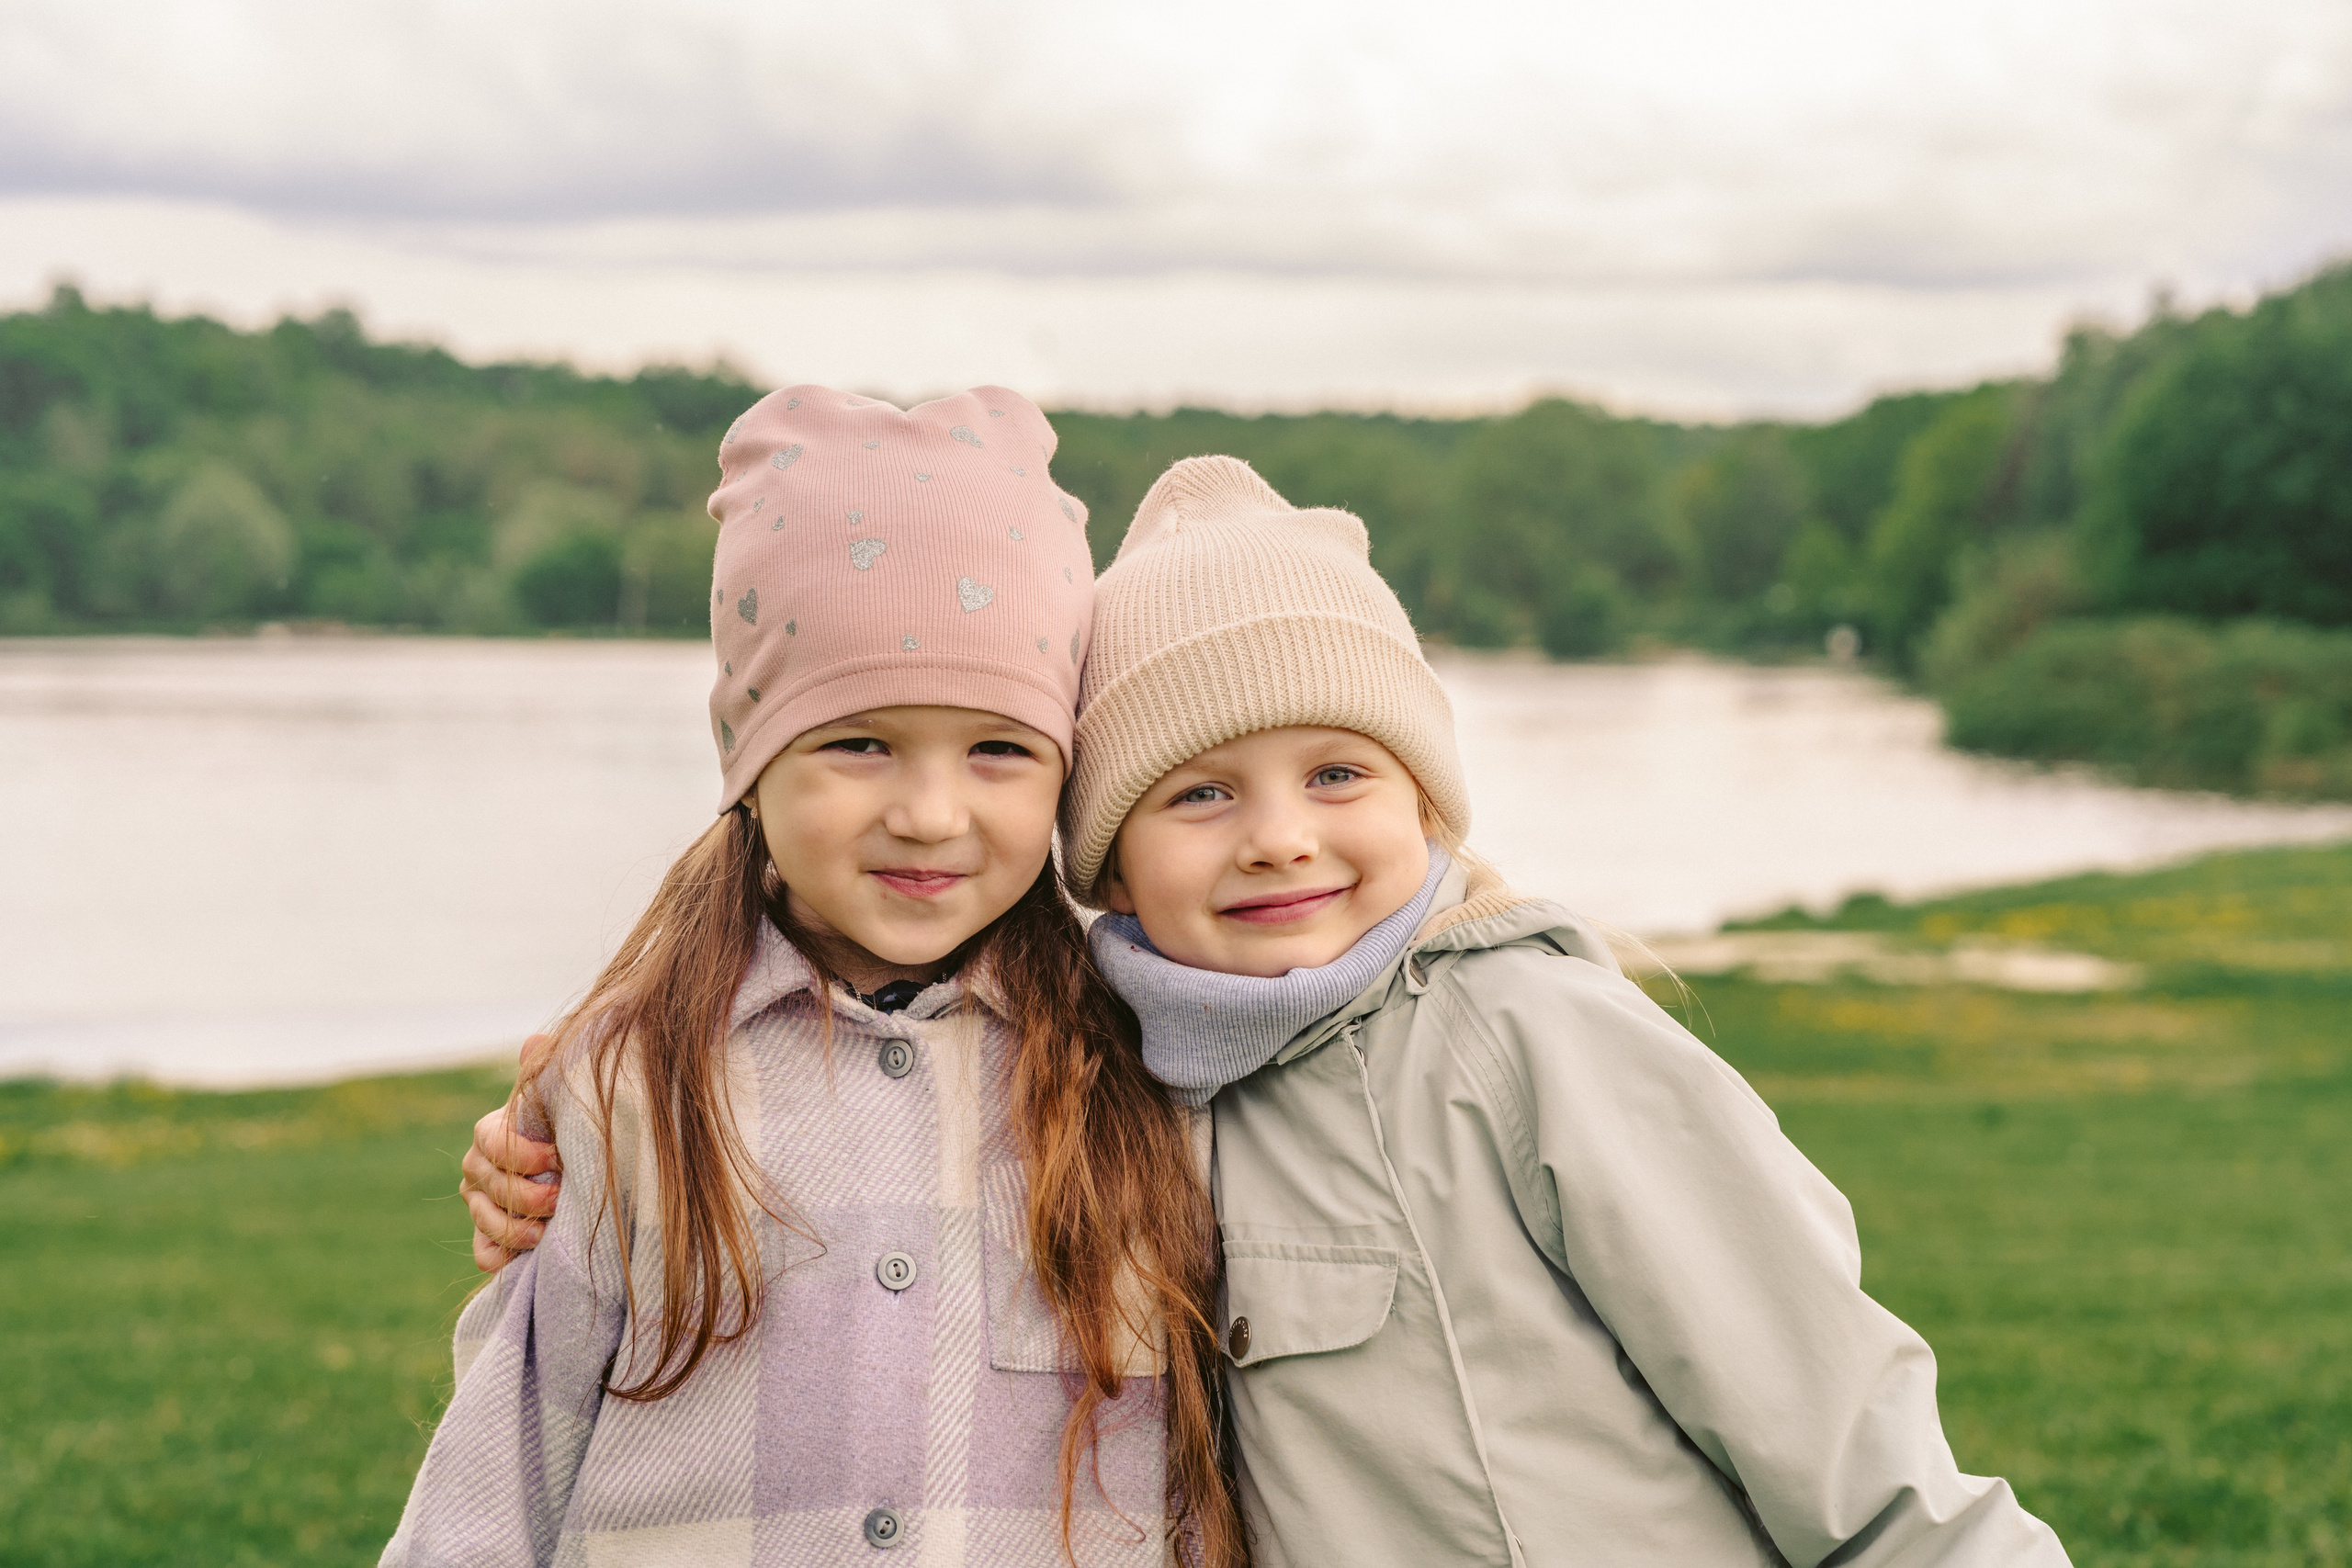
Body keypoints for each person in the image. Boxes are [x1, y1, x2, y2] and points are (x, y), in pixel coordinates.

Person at [474, 451, 2074, 1566]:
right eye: (1198, 793)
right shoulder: (1118, 1084)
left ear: (1422, 789)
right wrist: (574, 1133)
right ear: (1104, 860)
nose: (1282, 837)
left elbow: (1838, 1426)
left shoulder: (1537, 1040)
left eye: (1336, 773)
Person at [389, 389, 1243, 1568]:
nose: (930, 813)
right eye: (859, 743)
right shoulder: (627, 1080)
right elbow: (501, 1480)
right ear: (749, 760)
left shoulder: (1154, 1061)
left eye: (998, 748)